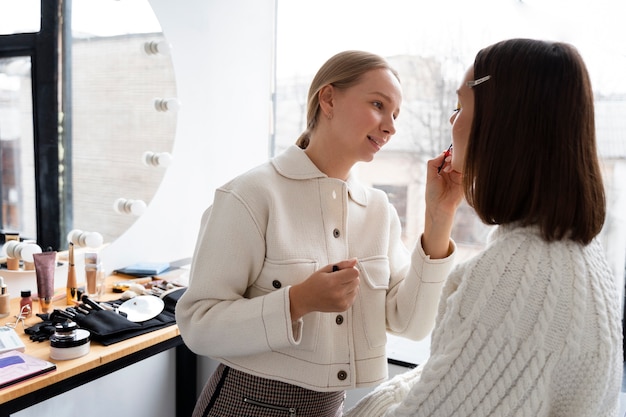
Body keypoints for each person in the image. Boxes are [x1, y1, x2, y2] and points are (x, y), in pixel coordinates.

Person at [175, 50, 464, 417]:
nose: (391, 126)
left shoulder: (379, 211)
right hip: (245, 405)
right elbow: (197, 325)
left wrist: (440, 217)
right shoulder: (250, 195)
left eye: (395, 115)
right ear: (328, 99)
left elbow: (411, 324)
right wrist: (298, 301)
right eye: (378, 105)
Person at [345, 38, 624, 417]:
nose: (451, 120)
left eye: (460, 106)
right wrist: (439, 215)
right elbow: (462, 377)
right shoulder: (578, 254)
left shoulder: (518, 279)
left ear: (504, 125)